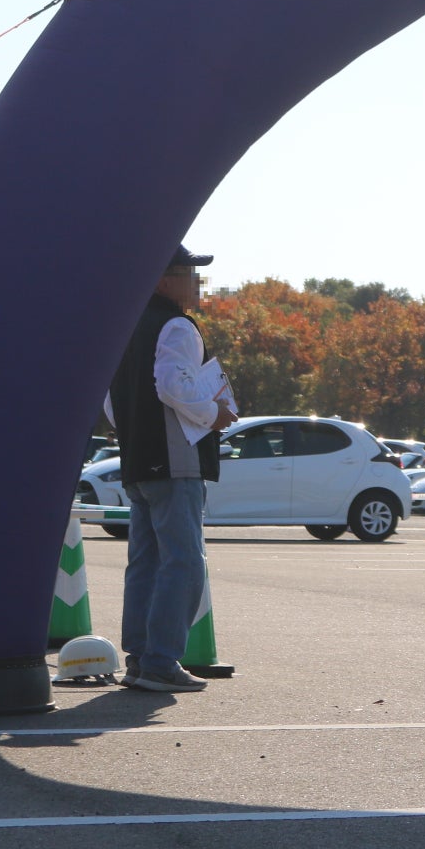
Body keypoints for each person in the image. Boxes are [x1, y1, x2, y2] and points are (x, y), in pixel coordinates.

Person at [105, 245, 238, 693]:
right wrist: (212, 412)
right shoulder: (177, 324)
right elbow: (171, 385)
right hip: (175, 458)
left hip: (138, 459)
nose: (197, 283)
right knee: (184, 562)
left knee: (145, 561)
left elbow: (109, 399)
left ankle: (141, 659)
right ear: (164, 281)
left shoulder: (126, 325)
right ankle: (161, 662)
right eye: (189, 274)